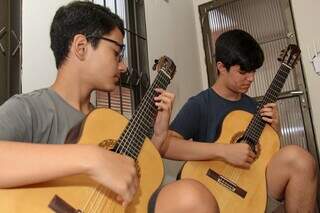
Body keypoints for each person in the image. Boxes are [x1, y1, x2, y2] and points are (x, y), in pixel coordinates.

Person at [0, 1, 217, 213]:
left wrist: (159, 138)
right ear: (81, 47)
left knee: (194, 196)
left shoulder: (107, 122)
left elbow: (131, 176)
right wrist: (92, 159)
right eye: (117, 53)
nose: (122, 66)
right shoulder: (30, 109)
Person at [161, 29, 318, 213]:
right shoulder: (201, 103)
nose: (251, 78)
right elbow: (166, 146)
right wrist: (225, 151)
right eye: (243, 71)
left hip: (250, 184)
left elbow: (266, 158)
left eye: (253, 71)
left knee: (302, 161)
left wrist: (275, 129)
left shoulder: (255, 107)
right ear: (221, 67)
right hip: (213, 184)